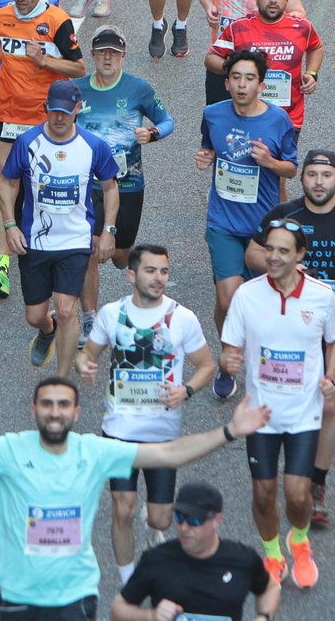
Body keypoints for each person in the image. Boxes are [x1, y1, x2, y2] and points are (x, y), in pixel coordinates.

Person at [0, 375, 272, 621]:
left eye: (64, 405)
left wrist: (231, 432)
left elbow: (168, 453)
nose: (55, 412)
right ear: (35, 410)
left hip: (75, 597)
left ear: (76, 414)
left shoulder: (95, 451)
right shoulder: (11, 449)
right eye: (47, 404)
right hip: (17, 598)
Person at [248, 151, 335, 521]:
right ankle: (276, 466)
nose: (318, 182)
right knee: (284, 393)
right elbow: (251, 252)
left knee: (328, 403)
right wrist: (281, 263)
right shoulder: (284, 217)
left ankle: (317, 484)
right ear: (303, 179)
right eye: (311, 174)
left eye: (326, 175)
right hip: (287, 321)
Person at [77, 246, 217, 583]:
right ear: (131, 275)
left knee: (162, 520)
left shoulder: (183, 318)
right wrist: (85, 365)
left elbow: (206, 366)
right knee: (121, 508)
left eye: (164, 272)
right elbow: (86, 353)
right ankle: (129, 581)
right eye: (151, 271)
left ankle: (153, 528)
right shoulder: (112, 314)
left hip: (161, 434)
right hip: (118, 429)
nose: (159, 278)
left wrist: (187, 391)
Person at [220, 219, 335, 588]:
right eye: (269, 248)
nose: (272, 257)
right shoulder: (247, 294)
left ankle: (299, 541)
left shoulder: (322, 295)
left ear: (300, 255)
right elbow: (230, 348)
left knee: (298, 494)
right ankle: (273, 553)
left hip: (304, 412)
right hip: (262, 414)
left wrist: (331, 378)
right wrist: (229, 361)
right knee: (263, 493)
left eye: (283, 251)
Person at [0, 0, 86, 300]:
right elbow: (1, 41)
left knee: (42, 185)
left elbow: (79, 66)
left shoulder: (57, 20)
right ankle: (2, 266)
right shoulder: (4, 15)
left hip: (44, 118)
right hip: (7, 112)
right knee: (5, 184)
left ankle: (47, 248)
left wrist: (45, 62)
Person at [0, 80, 120, 373]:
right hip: (36, 242)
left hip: (76, 242)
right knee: (34, 315)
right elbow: (6, 182)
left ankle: (61, 381)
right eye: (54, 111)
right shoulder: (28, 143)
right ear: (46, 109)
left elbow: (111, 188)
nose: (60, 118)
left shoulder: (93, 146)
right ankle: (46, 329)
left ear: (78, 109)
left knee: (67, 310)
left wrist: (108, 231)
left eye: (66, 112)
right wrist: (10, 225)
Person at [196, 49, 299, 392]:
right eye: (236, 78)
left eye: (249, 78)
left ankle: (265, 359)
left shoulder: (278, 120)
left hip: (263, 227)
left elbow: (292, 168)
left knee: (262, 301)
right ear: (226, 84)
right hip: (222, 221)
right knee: (227, 300)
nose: (242, 84)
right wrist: (205, 155)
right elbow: (209, 147)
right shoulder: (212, 114)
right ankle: (228, 358)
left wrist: (270, 162)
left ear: (261, 84)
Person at [72, 26, 175, 323]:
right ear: (92, 55)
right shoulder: (76, 88)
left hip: (128, 183)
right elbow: (57, 124)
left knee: (118, 255)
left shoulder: (138, 88)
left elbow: (167, 121)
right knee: (90, 250)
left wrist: (152, 133)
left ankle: (116, 247)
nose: (108, 57)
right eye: (102, 51)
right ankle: (90, 320)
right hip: (88, 185)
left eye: (114, 53)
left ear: (123, 57)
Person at [111, 481, 281, 621]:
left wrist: (264, 616)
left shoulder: (242, 559)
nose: (184, 528)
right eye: (179, 517)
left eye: (194, 520)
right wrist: (151, 615)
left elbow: (270, 588)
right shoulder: (157, 559)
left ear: (217, 520)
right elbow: (118, 610)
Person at [206, 0, 324, 158]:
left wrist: (312, 72)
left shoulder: (302, 27)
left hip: (288, 116)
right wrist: (236, 71)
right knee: (245, 170)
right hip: (246, 115)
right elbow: (211, 58)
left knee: (279, 175)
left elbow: (316, 47)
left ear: (287, 0)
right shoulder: (239, 27)